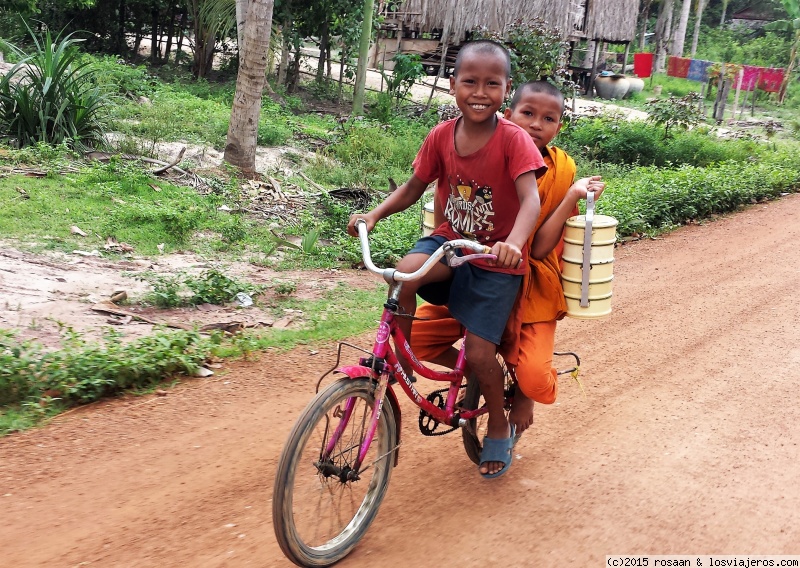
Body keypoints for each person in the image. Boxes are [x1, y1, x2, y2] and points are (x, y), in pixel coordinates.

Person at [347, 40, 546, 479]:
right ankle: (396, 365)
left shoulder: (514, 139)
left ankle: (496, 420)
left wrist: (512, 242)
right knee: (401, 276)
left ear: (505, 90)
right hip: (448, 245)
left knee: (478, 354)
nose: (480, 92)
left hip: (494, 261)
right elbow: (413, 186)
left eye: (492, 84)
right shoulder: (441, 135)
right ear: (452, 84)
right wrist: (374, 214)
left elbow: (530, 200)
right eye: (470, 81)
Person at [411, 80, 605, 449]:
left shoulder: (560, 169)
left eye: (548, 118)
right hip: (474, 271)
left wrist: (572, 195)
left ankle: (522, 391)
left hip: (528, 283)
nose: (536, 124)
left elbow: (540, 248)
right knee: (415, 338)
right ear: (508, 114)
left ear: (559, 126)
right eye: (527, 113)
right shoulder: (485, 150)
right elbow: (448, 212)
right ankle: (487, 373)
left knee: (533, 379)